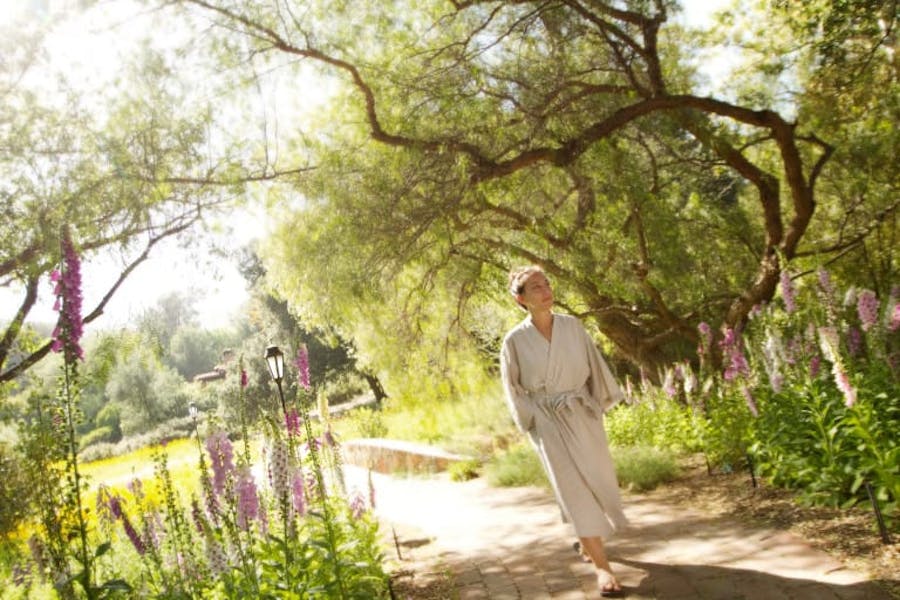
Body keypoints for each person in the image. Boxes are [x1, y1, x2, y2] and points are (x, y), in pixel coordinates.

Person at [499, 265, 628, 597]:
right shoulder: (514, 341)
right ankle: (603, 568)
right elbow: (511, 388)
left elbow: (595, 367)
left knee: (599, 481)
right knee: (572, 488)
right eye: (535, 287)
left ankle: (588, 543)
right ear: (521, 299)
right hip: (547, 421)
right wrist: (534, 421)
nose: (545, 290)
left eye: (546, 284)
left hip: (581, 414)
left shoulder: (573, 327)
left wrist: (597, 405)